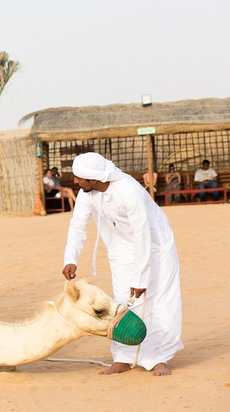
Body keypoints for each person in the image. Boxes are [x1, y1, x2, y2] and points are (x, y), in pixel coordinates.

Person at [62, 152, 183, 376]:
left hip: (156, 248)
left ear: (93, 177)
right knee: (122, 302)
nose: (75, 181)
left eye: (79, 177)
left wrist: (141, 278)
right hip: (120, 251)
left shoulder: (129, 190)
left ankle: (160, 358)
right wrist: (71, 258)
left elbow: (143, 235)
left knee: (159, 303)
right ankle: (123, 357)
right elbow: (77, 226)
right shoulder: (87, 193)